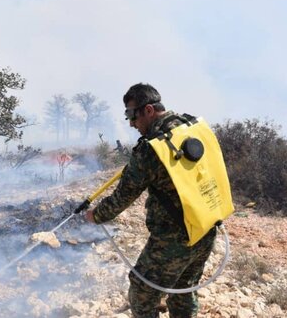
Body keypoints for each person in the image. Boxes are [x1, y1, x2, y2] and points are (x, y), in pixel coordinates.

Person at [84, 83, 216, 318]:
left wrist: (96, 215)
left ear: (148, 111)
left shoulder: (151, 149)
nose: (131, 124)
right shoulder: (189, 126)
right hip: (206, 226)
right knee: (182, 289)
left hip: (175, 238)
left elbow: (122, 197)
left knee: (142, 290)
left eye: (131, 115)